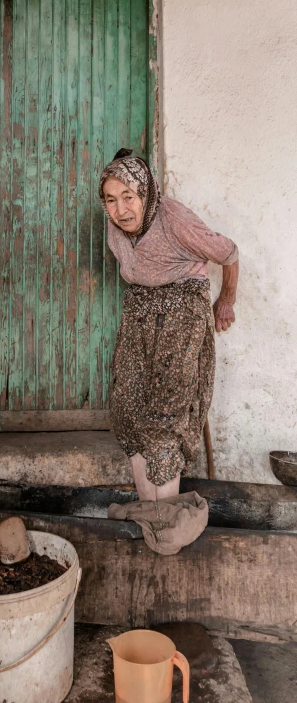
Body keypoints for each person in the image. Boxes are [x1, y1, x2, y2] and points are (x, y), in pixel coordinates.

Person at [100, 149, 239, 502]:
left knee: (165, 419)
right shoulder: (115, 225)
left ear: (145, 193)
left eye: (128, 197)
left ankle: (167, 520)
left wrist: (226, 300)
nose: (120, 210)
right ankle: (152, 512)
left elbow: (229, 253)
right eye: (111, 200)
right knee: (128, 408)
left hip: (180, 317)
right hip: (140, 315)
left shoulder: (174, 219)